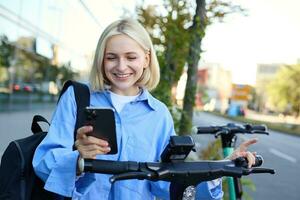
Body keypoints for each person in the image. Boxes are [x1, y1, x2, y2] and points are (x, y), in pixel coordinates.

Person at [33, 18, 258, 200]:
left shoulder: (158, 114)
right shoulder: (77, 97)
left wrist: (219, 168)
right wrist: (77, 157)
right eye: (111, 57)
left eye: (131, 57)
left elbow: (165, 183)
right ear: (101, 60)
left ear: (146, 59)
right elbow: (43, 164)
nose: (121, 67)